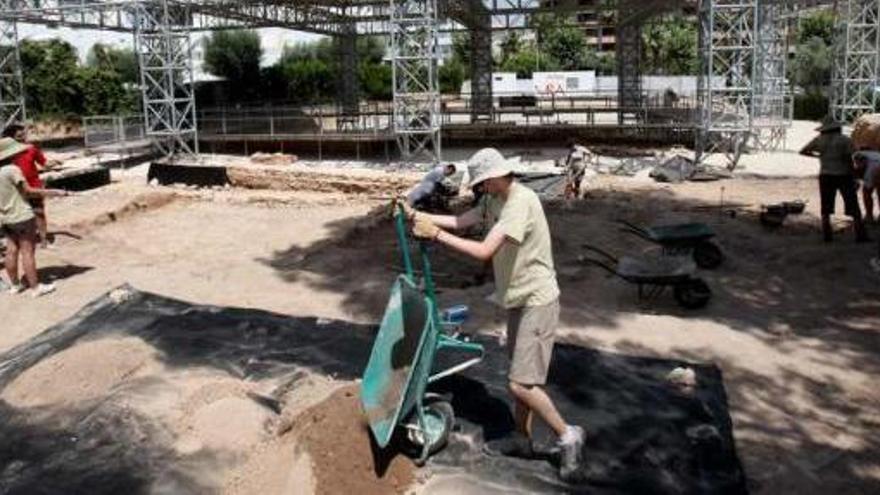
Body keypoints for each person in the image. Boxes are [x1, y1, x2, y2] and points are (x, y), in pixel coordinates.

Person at [400, 148, 585, 479]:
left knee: (520, 383)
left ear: (498, 176)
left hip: (537, 300)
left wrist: (437, 236)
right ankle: (522, 439)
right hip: (517, 297)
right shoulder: (493, 200)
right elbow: (462, 221)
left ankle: (568, 434)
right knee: (521, 377)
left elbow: (485, 250)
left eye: (483, 183)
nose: (481, 189)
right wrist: (418, 216)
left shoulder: (520, 202)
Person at [0, 137, 67, 297]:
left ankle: (15, 286)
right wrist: (54, 192)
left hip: (6, 217)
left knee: (11, 250)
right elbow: (28, 191)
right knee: (27, 251)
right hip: (22, 215)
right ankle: (35, 288)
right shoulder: (12, 170)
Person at [800, 118, 868, 243]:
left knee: (826, 206)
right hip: (844, 174)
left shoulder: (819, 140)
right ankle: (860, 234)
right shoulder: (845, 140)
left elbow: (803, 151)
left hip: (825, 174)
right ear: (838, 128)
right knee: (852, 204)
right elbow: (856, 156)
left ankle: (827, 235)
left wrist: (818, 156)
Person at [3, 123, 58, 248]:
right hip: (15, 189)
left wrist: (54, 163)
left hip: (33, 185)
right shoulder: (6, 154)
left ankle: (44, 241)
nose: (22, 138)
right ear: (11, 138)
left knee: (39, 212)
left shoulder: (31, 149)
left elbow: (44, 163)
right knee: (16, 216)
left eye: (23, 135)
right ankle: (19, 242)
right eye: (18, 136)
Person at [853, 149, 880, 222]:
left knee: (866, 192)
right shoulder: (860, 155)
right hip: (876, 160)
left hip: (876, 167)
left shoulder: (870, 168)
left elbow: (859, 167)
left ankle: (869, 216)